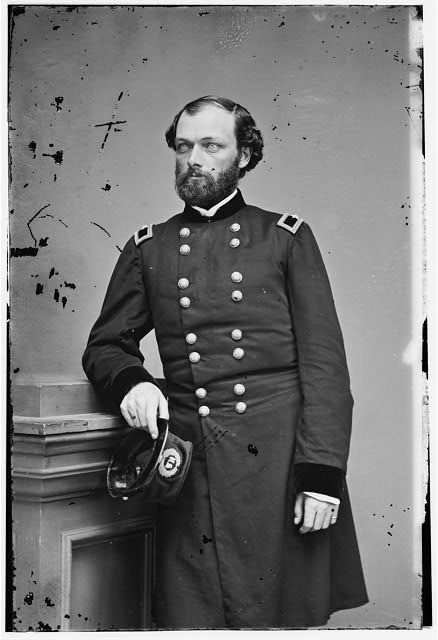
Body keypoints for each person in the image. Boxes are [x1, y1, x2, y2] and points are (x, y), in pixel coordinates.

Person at [82, 95, 368, 629]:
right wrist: (133, 383)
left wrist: (322, 477)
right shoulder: (149, 248)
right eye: (183, 147)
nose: (194, 159)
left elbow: (325, 368)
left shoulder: (285, 237)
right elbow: (105, 345)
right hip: (190, 468)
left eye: (211, 146)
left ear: (245, 155)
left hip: (278, 468)